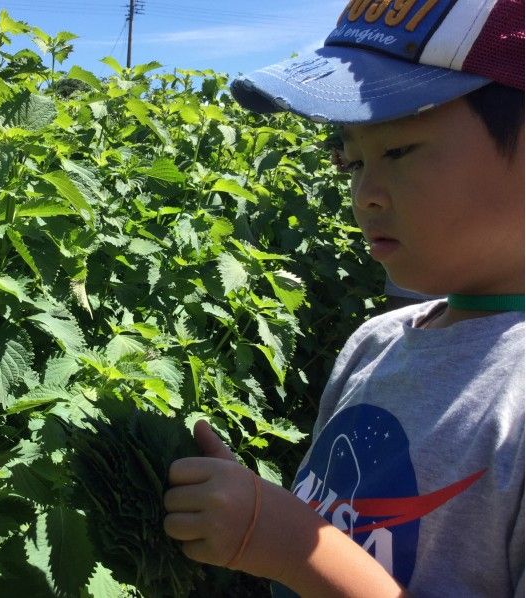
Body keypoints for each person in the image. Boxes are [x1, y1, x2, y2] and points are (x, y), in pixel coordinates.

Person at [162, 1, 524, 596]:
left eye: (398, 151)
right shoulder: (376, 342)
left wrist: (290, 547)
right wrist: (254, 519)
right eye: (350, 160)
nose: (365, 195)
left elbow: (311, 548)